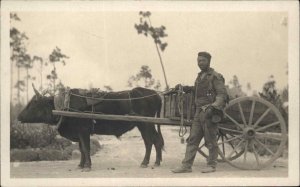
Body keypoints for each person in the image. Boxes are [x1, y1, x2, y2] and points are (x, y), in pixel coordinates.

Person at [172, 51, 228, 173]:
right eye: (198, 61)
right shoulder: (199, 77)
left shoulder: (215, 76)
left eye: (203, 60)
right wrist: (184, 88)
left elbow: (222, 94)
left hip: (209, 112)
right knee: (193, 138)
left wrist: (213, 107)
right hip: (198, 112)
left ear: (209, 61)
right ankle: (186, 166)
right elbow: (196, 90)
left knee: (210, 140)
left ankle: (211, 165)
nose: (200, 63)